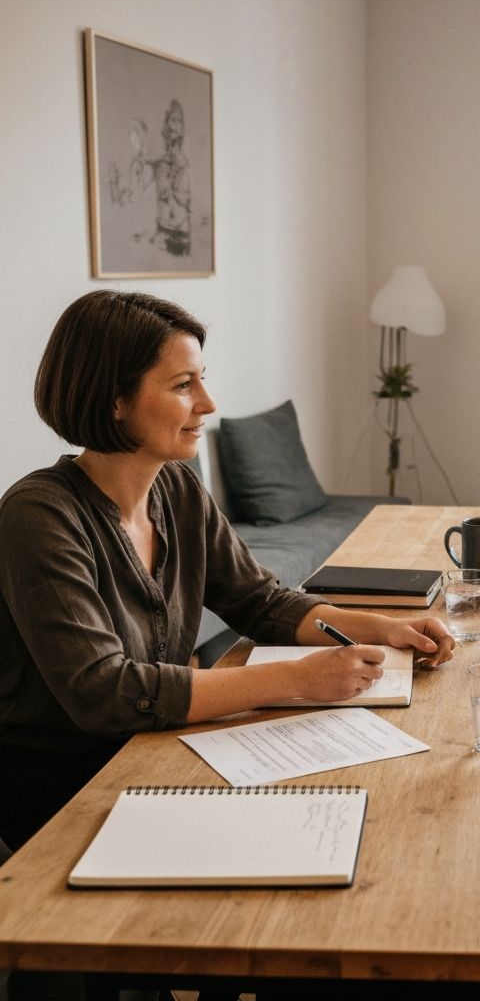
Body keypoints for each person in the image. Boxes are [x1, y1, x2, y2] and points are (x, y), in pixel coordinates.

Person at [0, 290, 455, 852]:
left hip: (154, 747)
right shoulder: (39, 515)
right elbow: (104, 693)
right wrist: (299, 680)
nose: (208, 403)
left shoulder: (176, 487)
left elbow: (259, 602)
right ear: (115, 400)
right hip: (65, 788)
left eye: (202, 379)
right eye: (183, 385)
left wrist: (378, 625)